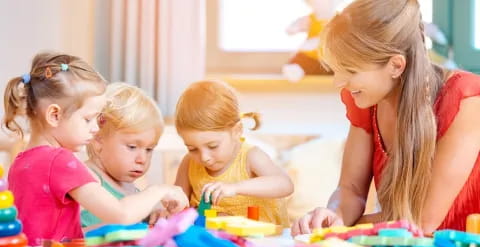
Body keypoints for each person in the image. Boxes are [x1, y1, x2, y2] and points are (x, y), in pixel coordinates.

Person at [292, 0, 480, 235]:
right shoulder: (365, 103)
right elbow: (351, 188)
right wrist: (334, 214)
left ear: (396, 65)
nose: (338, 82)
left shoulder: (466, 99)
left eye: (350, 71)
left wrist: (343, 230)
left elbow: (423, 222)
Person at [4, 52, 188, 245]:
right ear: (55, 115)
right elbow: (121, 214)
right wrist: (158, 190)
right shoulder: (60, 161)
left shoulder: (21, 160)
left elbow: (64, 236)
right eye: (87, 119)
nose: (95, 127)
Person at [174, 80, 293, 226]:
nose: (204, 158)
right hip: (214, 241)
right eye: (192, 149)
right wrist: (169, 209)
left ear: (237, 131)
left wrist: (235, 188)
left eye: (213, 146)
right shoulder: (189, 163)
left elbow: (285, 185)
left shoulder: (251, 157)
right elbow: (178, 203)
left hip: (262, 241)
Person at [81, 82, 165, 228]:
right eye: (132, 147)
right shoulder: (88, 178)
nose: (142, 159)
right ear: (98, 140)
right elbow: (69, 235)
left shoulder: (132, 188)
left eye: (149, 149)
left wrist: (152, 212)